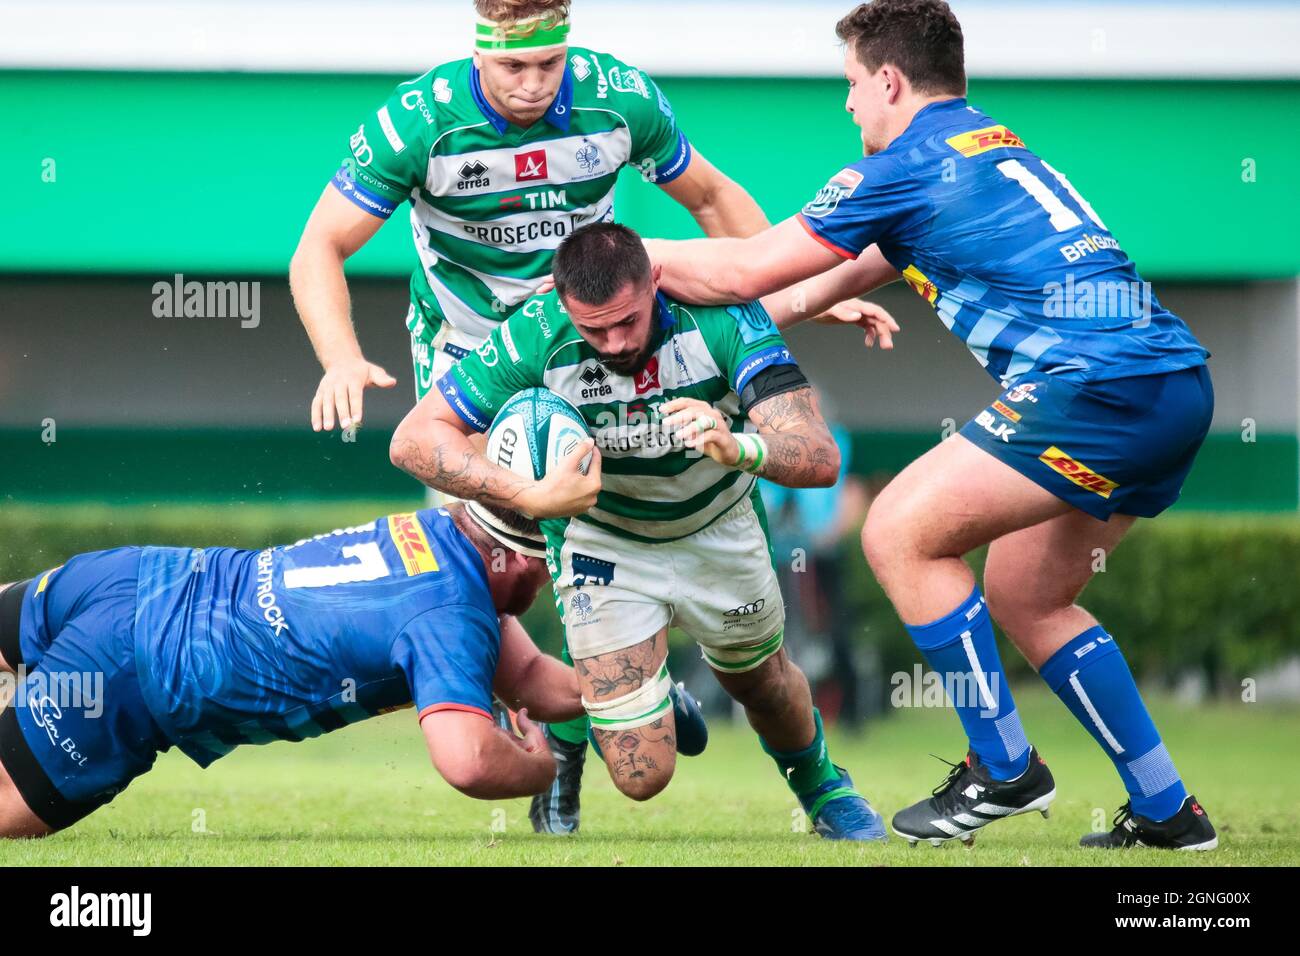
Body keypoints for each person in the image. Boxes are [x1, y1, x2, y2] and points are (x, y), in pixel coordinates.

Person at [642, 0, 1218, 850]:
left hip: (1092, 386)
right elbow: (802, 284)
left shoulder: (901, 167)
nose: (846, 107)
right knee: (1028, 597)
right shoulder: (987, 143)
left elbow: (742, 271)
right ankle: (1169, 811)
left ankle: (1004, 768)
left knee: (898, 533)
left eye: (849, 86)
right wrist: (812, 306)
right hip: (1172, 382)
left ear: (888, 80)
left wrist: (617, 254)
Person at [289, 0, 870, 834]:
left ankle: (596, 714)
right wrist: (340, 357)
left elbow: (709, 197)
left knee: (589, 528)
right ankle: (587, 717)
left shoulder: (618, 98)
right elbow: (320, 246)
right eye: (511, 68)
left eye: (547, 65)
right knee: (500, 575)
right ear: (476, 55)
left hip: (602, 332)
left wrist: (804, 293)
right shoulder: (415, 122)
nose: (531, 86)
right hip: (476, 358)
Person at [390, 222, 889, 841]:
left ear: (655, 279)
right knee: (641, 775)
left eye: (626, 321)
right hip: (604, 540)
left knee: (759, 682)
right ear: (563, 304)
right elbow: (413, 438)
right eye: (592, 328)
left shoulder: (722, 318)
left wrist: (739, 446)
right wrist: (526, 494)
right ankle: (635, 699)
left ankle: (823, 789)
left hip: (718, 526)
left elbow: (819, 456)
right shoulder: (537, 332)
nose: (614, 342)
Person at [0, 503, 580, 837]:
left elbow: (528, 675)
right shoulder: (454, 613)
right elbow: (470, 761)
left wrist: (632, 688)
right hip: (142, 665)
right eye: (553, 557)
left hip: (133, 576)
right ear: (524, 557)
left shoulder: (437, 532)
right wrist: (538, 768)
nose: (554, 574)